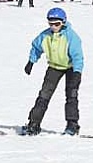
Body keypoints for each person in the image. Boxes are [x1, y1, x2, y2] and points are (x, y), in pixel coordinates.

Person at [19, 7, 85, 136]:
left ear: (63, 22)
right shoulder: (45, 35)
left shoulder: (71, 37)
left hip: (71, 68)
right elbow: (36, 47)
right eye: (51, 24)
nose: (54, 27)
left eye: (57, 24)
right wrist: (31, 62)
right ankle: (34, 123)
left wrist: (77, 72)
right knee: (44, 95)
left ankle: (72, 124)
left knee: (71, 95)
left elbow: (78, 56)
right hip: (54, 67)